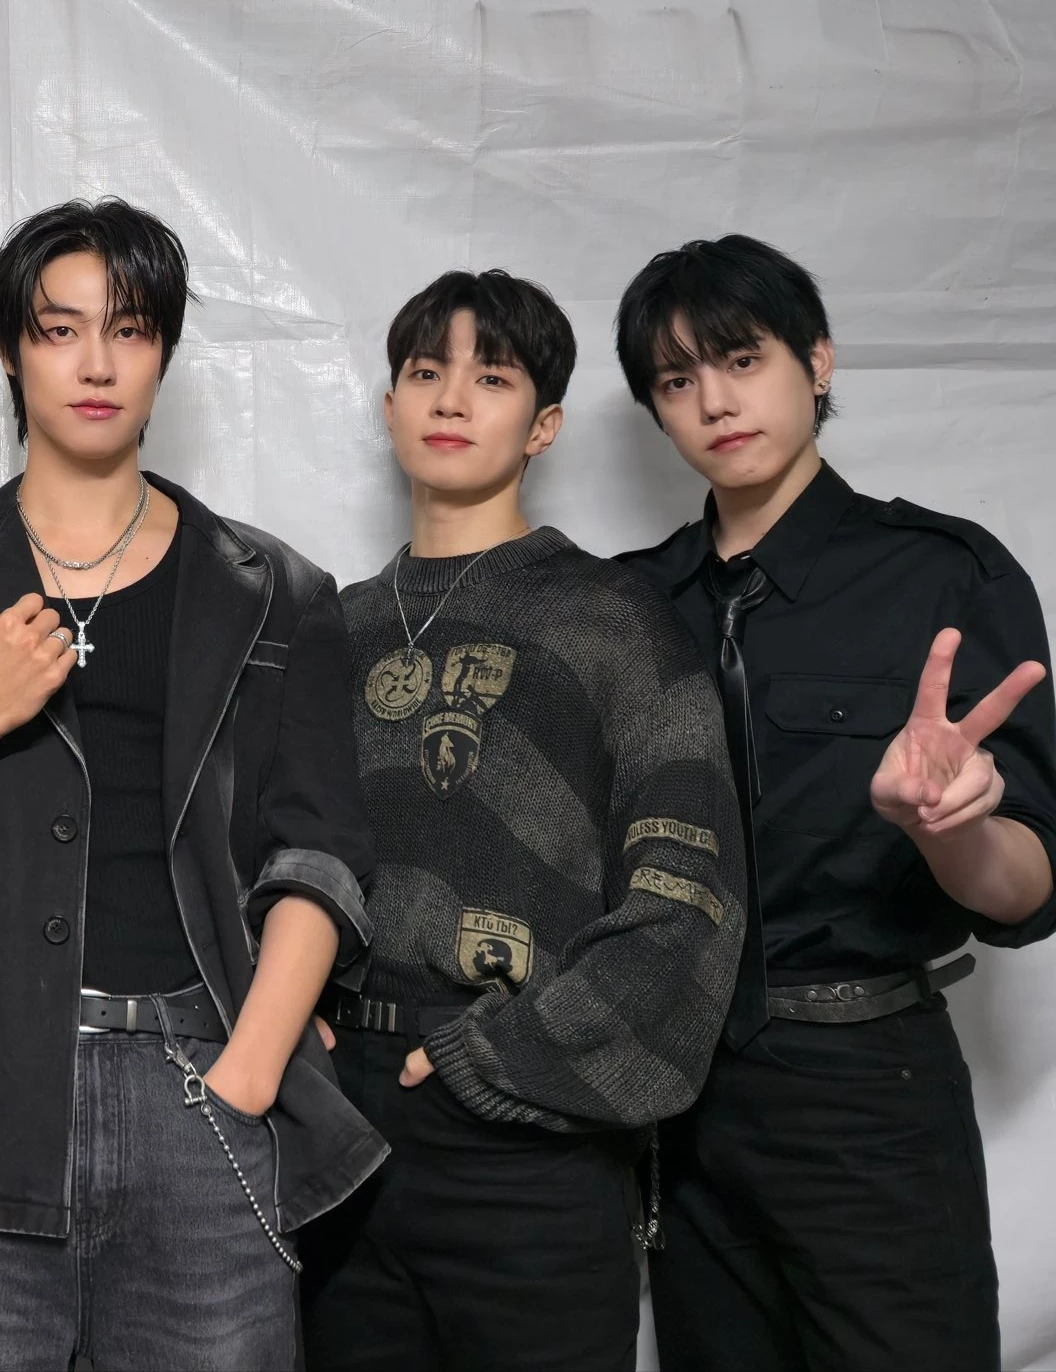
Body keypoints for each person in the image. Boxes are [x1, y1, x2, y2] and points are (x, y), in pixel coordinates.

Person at [0, 197, 383, 1371]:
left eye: (126, 330)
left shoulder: (272, 589)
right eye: (59, 329)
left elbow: (318, 853)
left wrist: (245, 1074)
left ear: (161, 351)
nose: (94, 363)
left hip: (204, 1098)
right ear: (9, 350)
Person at [612, 234, 1056, 1371]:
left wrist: (951, 828)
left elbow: (1028, 890)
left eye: (741, 359)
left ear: (815, 362)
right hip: (679, 1105)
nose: (715, 402)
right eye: (676, 379)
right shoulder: (625, 605)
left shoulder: (942, 575)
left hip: (870, 1093)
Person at [299, 269, 745, 1372]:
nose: (451, 399)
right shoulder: (329, 630)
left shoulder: (613, 623)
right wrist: (286, 1027)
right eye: (426, 372)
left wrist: (492, 1056)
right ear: (388, 406)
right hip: (332, 1133)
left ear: (543, 425)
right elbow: (256, 851)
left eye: (491, 378)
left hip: (526, 1142)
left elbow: (687, 900)